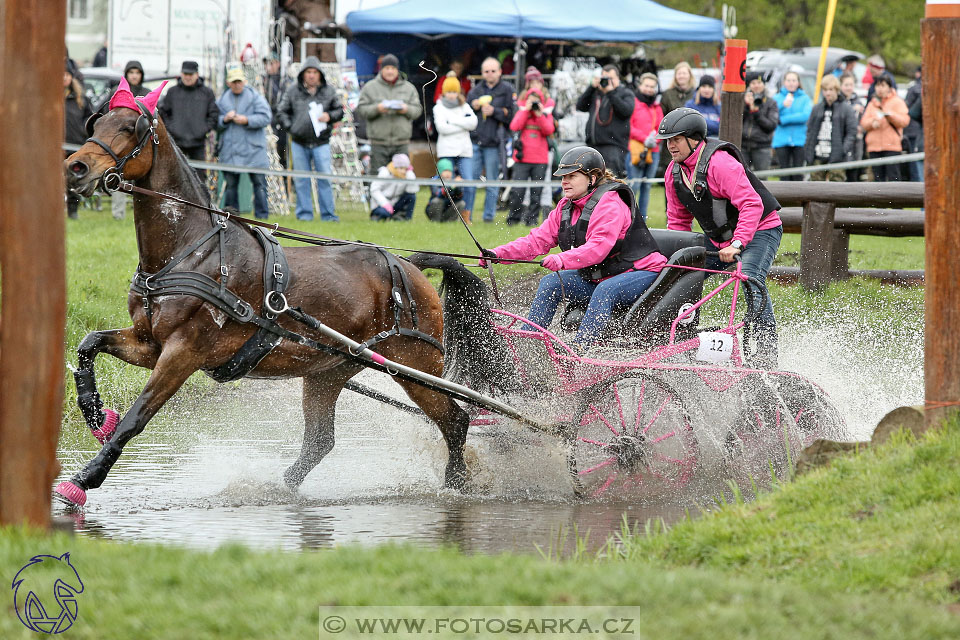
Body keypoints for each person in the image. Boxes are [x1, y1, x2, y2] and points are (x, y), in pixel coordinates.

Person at [480, 146, 668, 348]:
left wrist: (561, 259)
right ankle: (529, 347)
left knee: (606, 291)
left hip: (643, 271)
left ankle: (578, 355)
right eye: (562, 176)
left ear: (592, 178)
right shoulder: (565, 206)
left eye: (571, 176)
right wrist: (497, 254)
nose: (564, 181)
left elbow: (598, 248)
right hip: (605, 275)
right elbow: (535, 241)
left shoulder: (610, 204)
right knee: (550, 283)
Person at [659, 108, 783, 369]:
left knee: (749, 277)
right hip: (718, 240)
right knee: (678, 271)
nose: (670, 146)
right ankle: (682, 337)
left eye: (676, 139)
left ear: (695, 139)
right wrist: (677, 258)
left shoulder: (721, 163)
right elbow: (678, 223)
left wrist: (737, 243)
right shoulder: (673, 173)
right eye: (668, 141)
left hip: (761, 229)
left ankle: (766, 351)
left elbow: (752, 205)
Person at [276, 56, 343, 221]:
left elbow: (340, 111)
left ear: (319, 74)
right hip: (299, 142)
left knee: (325, 179)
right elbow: (281, 111)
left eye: (314, 72)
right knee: (301, 180)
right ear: (303, 74)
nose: (311, 75)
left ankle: (328, 215)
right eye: (308, 72)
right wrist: (291, 127)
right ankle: (304, 215)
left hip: (321, 142)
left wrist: (329, 116)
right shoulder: (293, 91)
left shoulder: (329, 91)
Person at [216, 68, 273, 219]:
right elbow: (213, 121)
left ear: (244, 82)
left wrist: (247, 120)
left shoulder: (256, 97)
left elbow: (266, 117)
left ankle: (262, 216)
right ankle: (233, 218)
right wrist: (224, 119)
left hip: (253, 150)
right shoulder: (221, 100)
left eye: (239, 81)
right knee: (231, 187)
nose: (236, 84)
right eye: (233, 82)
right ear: (228, 83)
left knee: (260, 185)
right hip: (230, 150)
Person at [465, 57, 516, 223]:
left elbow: (513, 116)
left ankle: (488, 217)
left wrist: (495, 111)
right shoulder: (475, 91)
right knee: (471, 181)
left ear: (500, 72)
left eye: (493, 71)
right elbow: (464, 114)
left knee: (493, 181)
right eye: (486, 71)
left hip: (494, 142)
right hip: (475, 141)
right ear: (482, 73)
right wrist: (472, 106)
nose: (490, 74)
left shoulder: (508, 90)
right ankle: (468, 217)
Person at [356, 54, 422, 174]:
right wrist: (377, 109)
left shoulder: (409, 88)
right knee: (378, 179)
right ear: (381, 70)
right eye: (387, 68)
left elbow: (418, 111)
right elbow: (361, 110)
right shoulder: (370, 87)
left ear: (398, 70)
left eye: (393, 68)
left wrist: (406, 109)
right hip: (378, 144)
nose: (390, 71)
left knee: (401, 178)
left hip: (401, 143)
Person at [507, 67, 555, 226]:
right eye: (531, 100)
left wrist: (539, 114)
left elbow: (549, 130)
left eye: (536, 100)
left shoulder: (545, 114)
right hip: (522, 157)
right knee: (518, 191)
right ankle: (513, 219)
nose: (533, 103)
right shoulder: (523, 112)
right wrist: (526, 110)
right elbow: (514, 126)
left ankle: (532, 220)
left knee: (536, 193)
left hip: (540, 159)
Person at [158, 60, 218, 181]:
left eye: (191, 74)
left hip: (198, 143)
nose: (188, 77)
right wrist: (172, 128)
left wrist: (203, 130)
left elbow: (213, 114)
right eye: (185, 74)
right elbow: (163, 113)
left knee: (199, 179)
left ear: (197, 74)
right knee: (173, 176)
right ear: (181, 74)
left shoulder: (207, 93)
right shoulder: (172, 92)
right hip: (176, 142)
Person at [105, 60, 148, 219]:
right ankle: (118, 214)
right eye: (131, 72)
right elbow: (107, 115)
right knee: (119, 176)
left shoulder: (146, 92)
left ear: (141, 75)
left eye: (137, 73)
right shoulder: (118, 92)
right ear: (126, 74)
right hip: (122, 143)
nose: (134, 76)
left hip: (142, 142)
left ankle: (143, 212)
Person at [432, 74, 477, 224]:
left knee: (469, 183)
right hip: (447, 151)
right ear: (444, 92)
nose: (452, 95)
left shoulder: (465, 106)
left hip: (464, 151)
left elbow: (473, 123)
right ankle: (444, 213)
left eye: (454, 91)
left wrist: (452, 121)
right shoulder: (438, 107)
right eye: (449, 91)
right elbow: (442, 128)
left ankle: (466, 215)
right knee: (446, 184)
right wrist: (463, 124)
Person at [576, 64, 635, 178]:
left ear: (618, 78)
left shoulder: (625, 93)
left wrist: (610, 92)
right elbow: (580, 106)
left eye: (610, 78)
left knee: (610, 183)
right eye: (605, 78)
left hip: (614, 147)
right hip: (593, 146)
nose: (607, 82)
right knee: (591, 183)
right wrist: (591, 87)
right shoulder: (597, 93)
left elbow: (626, 111)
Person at [803, 74, 857, 182]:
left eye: (831, 89)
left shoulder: (846, 108)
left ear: (837, 90)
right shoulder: (817, 108)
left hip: (837, 156)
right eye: (825, 90)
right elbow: (809, 130)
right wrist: (809, 150)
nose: (828, 93)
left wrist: (842, 150)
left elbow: (852, 132)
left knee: (836, 189)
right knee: (815, 189)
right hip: (818, 154)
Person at [860, 74, 910, 183]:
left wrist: (890, 116)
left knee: (894, 178)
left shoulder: (897, 102)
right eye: (877, 85)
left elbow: (905, 120)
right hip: (874, 147)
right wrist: (872, 123)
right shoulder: (872, 104)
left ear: (889, 87)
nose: (880, 89)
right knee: (878, 179)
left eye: (883, 85)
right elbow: (863, 122)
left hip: (891, 146)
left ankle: (895, 200)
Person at [627, 72, 663, 220]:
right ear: (640, 85)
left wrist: (655, 140)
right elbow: (629, 127)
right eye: (646, 85)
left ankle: (642, 219)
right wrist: (644, 139)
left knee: (647, 186)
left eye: (652, 86)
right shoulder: (633, 103)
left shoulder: (656, 107)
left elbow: (661, 127)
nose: (649, 89)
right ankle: (628, 217)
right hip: (636, 150)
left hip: (653, 151)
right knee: (633, 186)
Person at [657, 61, 696, 179]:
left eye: (684, 73)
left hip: (689, 138)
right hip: (671, 137)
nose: (682, 76)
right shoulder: (667, 94)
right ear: (675, 76)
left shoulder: (696, 94)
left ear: (689, 75)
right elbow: (661, 115)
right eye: (679, 73)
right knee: (671, 174)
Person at [64, 62, 93, 220]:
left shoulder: (81, 98)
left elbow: (90, 119)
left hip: (75, 145)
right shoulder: (50, 97)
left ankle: (73, 211)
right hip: (55, 147)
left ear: (71, 77)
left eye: (66, 75)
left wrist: (83, 131)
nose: (64, 78)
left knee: (74, 181)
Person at [772, 71, 812, 181]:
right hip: (781, 140)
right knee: (784, 171)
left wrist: (783, 120)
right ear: (784, 82)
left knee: (797, 172)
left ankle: (798, 197)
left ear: (798, 82)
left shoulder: (805, 98)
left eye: (794, 80)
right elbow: (773, 115)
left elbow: (805, 116)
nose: (791, 83)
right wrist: (783, 106)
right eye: (788, 80)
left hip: (799, 139)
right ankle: (784, 198)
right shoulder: (777, 98)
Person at [740, 71, 779, 171]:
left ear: (764, 84)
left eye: (759, 82)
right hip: (743, 146)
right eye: (753, 83)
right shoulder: (743, 100)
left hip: (762, 146)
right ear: (749, 85)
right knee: (742, 177)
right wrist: (746, 107)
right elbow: (738, 121)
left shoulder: (771, 102)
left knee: (762, 179)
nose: (756, 86)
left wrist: (756, 112)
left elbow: (771, 125)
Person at [263, 52, 292, 169]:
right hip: (268, 120)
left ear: (278, 64)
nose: (269, 66)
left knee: (281, 150)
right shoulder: (264, 80)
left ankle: (284, 178)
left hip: (280, 121)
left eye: (272, 63)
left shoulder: (284, 80)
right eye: (267, 64)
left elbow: (285, 101)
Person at [370, 153, 418, 221]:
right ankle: (376, 216)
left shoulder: (407, 175)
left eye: (406, 169)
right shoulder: (385, 173)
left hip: (395, 204)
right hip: (380, 204)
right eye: (401, 168)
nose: (403, 171)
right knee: (384, 213)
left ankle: (405, 219)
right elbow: (374, 190)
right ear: (395, 167)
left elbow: (412, 191)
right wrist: (385, 204)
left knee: (412, 197)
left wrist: (411, 175)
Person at [839, 72, 866, 182]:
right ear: (840, 86)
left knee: (854, 174)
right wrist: (850, 110)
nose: (849, 88)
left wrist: (861, 126)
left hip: (856, 144)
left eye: (851, 85)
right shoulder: (838, 102)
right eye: (846, 85)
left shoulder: (858, 101)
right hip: (842, 141)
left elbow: (864, 122)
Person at [425, 158, 465, 222]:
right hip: (434, 209)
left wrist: (458, 187)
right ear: (439, 172)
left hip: (448, 209)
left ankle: (449, 222)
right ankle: (435, 222)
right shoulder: (434, 180)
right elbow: (438, 194)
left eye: (449, 171)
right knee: (437, 201)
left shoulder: (453, 180)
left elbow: (459, 197)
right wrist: (451, 187)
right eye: (445, 170)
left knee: (461, 203)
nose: (448, 173)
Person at [903, 66, 923, 182]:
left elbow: (912, 112)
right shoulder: (918, 89)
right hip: (917, 133)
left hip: (917, 134)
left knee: (916, 172)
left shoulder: (916, 88)